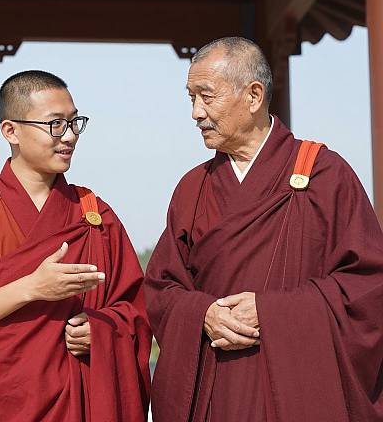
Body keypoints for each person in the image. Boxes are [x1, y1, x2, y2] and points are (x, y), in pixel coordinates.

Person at [144, 37, 383, 421]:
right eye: (190, 98)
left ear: (254, 96)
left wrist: (272, 311)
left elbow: (368, 286)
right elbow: (160, 288)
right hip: (217, 389)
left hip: (296, 390)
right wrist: (202, 313)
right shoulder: (193, 188)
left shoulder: (324, 174)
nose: (195, 113)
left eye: (206, 97)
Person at [0, 70, 151, 421]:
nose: (70, 136)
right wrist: (31, 287)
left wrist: (103, 331)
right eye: (55, 124)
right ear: (10, 130)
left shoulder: (94, 215)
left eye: (75, 122)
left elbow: (136, 310)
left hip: (76, 406)